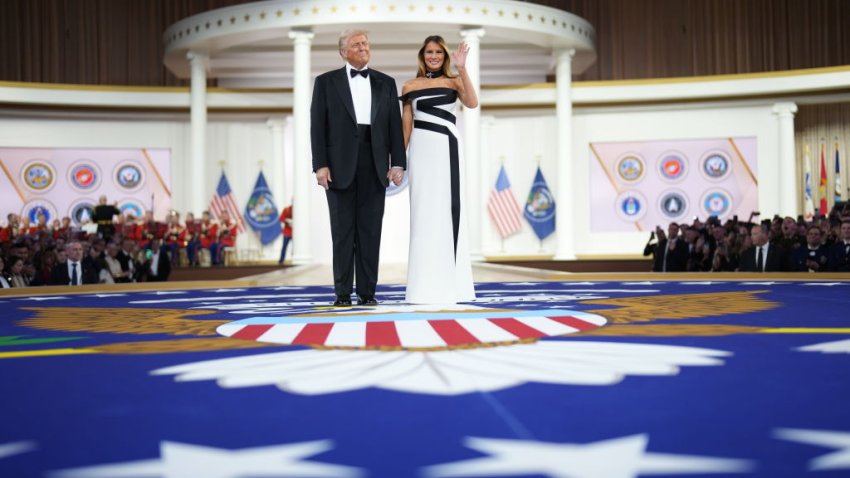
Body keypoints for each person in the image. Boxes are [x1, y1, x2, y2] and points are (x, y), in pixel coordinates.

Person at [310, 29, 406, 306]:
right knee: (342, 233)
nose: (364, 47)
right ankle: (342, 294)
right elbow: (318, 126)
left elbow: (394, 127)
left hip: (375, 164)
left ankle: (367, 293)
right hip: (338, 166)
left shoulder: (386, 82)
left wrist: (397, 162)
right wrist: (320, 165)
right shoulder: (326, 82)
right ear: (343, 52)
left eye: (366, 43)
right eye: (357, 44)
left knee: (370, 231)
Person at [401, 35, 478, 304]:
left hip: (447, 149)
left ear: (445, 56)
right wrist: (399, 161)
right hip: (421, 152)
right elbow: (406, 127)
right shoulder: (410, 85)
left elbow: (472, 103)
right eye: (429, 52)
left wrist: (463, 68)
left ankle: (453, 285)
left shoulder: (454, 81)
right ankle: (422, 287)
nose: (434, 56)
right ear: (422, 56)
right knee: (423, 213)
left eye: (438, 52)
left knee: (447, 211)